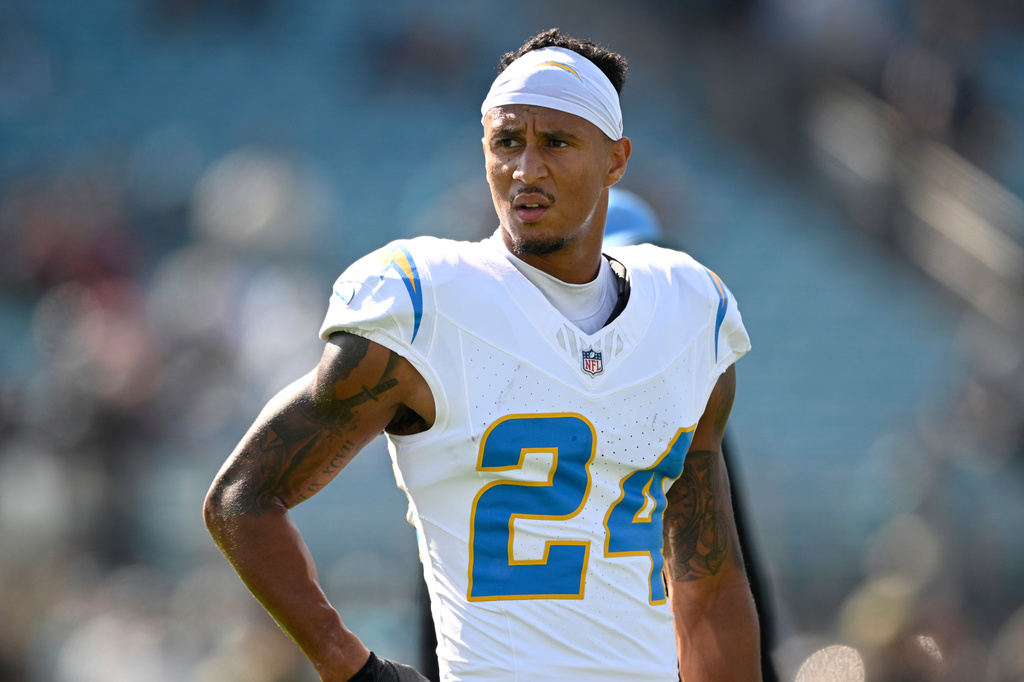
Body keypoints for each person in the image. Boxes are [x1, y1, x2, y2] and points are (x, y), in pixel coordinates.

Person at [204, 28, 761, 681]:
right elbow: (242, 498)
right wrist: (353, 669)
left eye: (557, 143)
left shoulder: (687, 309)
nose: (526, 169)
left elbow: (708, 584)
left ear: (615, 160)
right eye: (507, 142)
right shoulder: (426, 302)